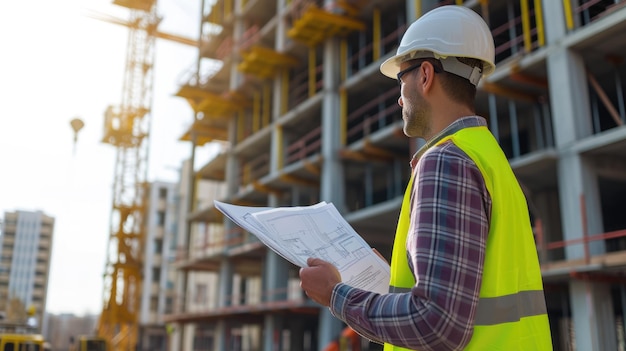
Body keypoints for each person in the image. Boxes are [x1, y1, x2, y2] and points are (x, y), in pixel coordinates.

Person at [299, 5, 553, 350]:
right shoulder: (488, 157)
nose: (399, 98)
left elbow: (437, 324)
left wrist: (334, 294)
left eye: (401, 79)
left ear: (425, 75)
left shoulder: (445, 161)